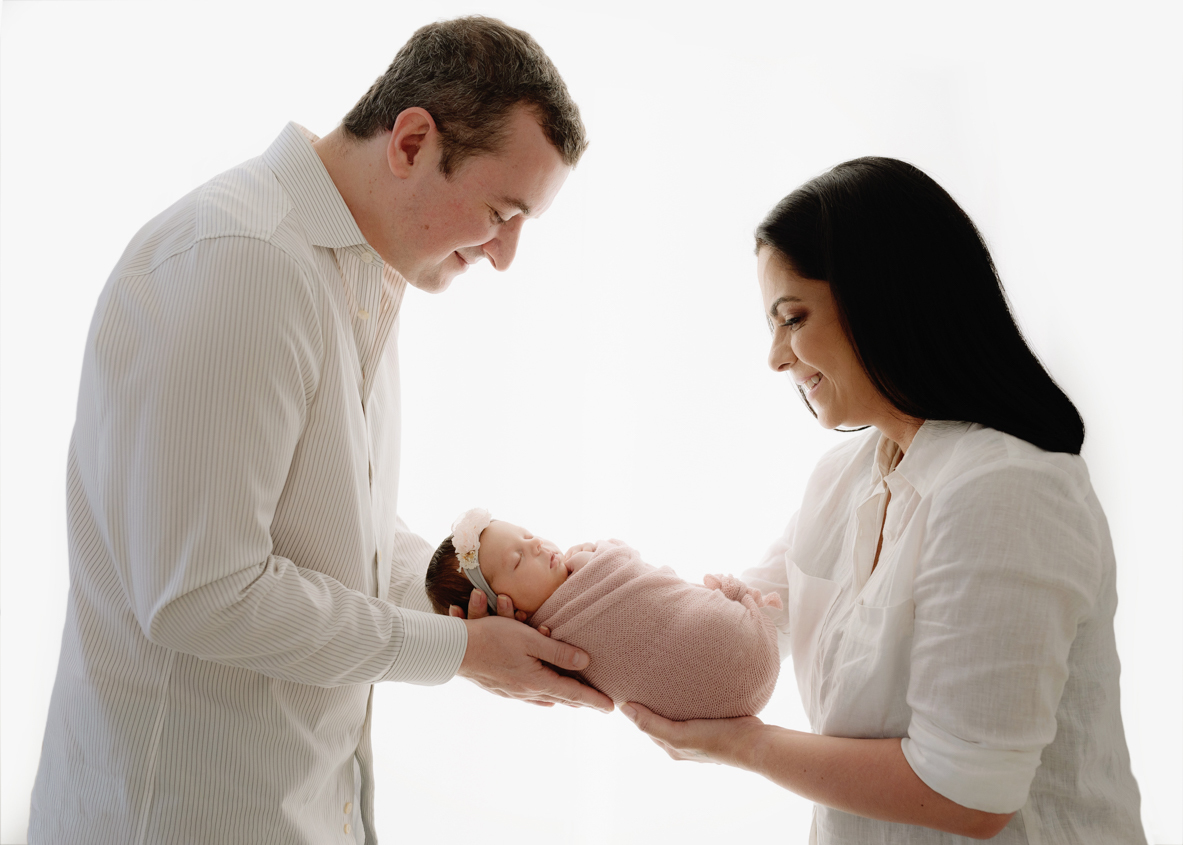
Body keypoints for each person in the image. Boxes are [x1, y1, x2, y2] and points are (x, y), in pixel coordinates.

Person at [28, 16, 612, 845]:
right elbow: (202, 592)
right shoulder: (246, 260)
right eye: (499, 211)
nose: (504, 254)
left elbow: (324, 529)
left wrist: (460, 579)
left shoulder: (358, 268)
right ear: (411, 142)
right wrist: (457, 652)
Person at [622, 158, 1147, 843]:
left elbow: (968, 794)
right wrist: (545, 593)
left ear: (883, 299)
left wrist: (744, 745)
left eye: (793, 317)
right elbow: (732, 634)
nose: (775, 357)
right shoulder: (844, 479)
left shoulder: (1007, 488)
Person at [426, 509, 781, 719]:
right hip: (735, 653)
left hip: (726, 690)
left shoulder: (544, 661)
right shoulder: (544, 650)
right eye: (518, 560)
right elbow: (623, 559)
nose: (536, 545)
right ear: (504, 614)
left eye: (529, 536)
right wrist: (600, 553)